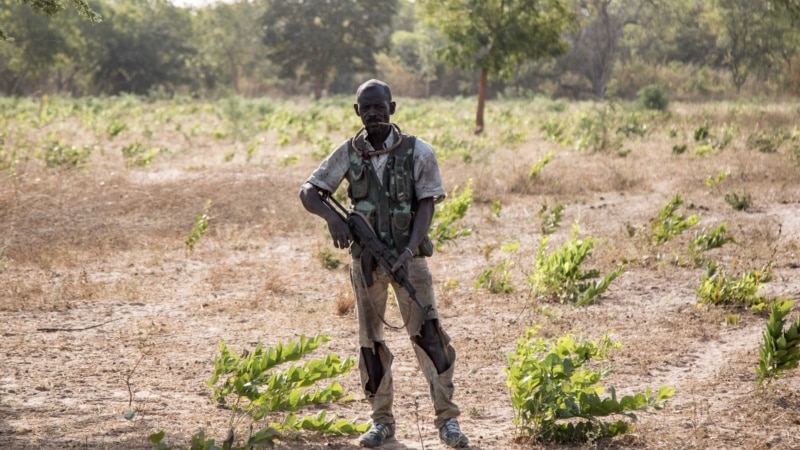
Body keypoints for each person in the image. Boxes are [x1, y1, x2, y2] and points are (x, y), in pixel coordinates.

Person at [299, 79, 469, 448]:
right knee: (370, 343)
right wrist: (334, 220)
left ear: (393, 108)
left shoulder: (418, 151)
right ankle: (381, 422)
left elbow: (427, 204)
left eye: (380, 107)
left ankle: (448, 422)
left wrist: (407, 254)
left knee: (431, 337)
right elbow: (309, 192)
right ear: (356, 111)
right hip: (366, 264)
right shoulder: (348, 152)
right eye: (366, 107)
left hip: (411, 262)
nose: (373, 113)